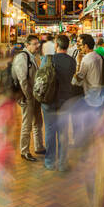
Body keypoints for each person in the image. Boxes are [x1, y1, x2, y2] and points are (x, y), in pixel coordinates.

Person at [40, 34, 77, 172]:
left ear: (56, 45)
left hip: (49, 100)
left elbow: (41, 78)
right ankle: (62, 163)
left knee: (50, 131)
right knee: (63, 132)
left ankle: (50, 162)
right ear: (67, 46)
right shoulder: (72, 62)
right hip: (65, 100)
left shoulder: (47, 59)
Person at [12, 35, 44, 161]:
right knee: (27, 124)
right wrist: (28, 96)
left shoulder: (33, 56)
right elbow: (22, 80)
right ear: (27, 45)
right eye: (34, 44)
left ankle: (39, 146)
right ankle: (24, 151)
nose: (37, 46)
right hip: (27, 96)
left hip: (34, 95)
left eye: (38, 43)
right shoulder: (22, 57)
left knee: (38, 122)